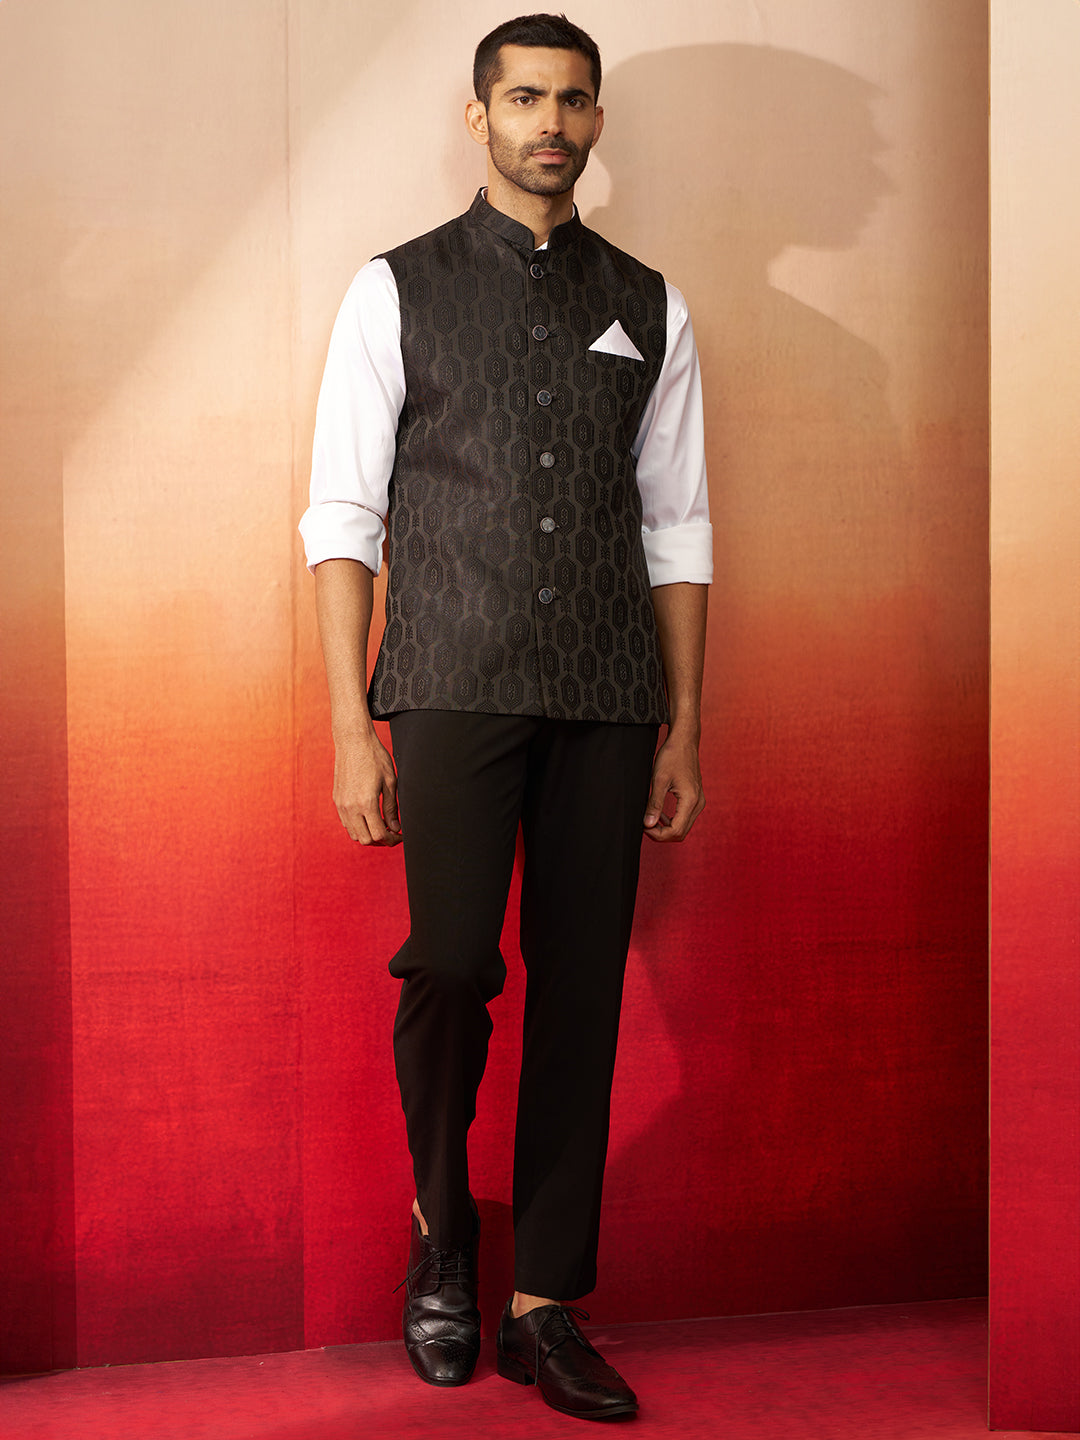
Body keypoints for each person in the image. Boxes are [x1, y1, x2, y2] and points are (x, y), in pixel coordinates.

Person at [299, 13, 712, 1422]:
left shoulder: (651, 303)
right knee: (453, 965)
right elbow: (343, 514)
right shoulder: (395, 288)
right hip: (450, 678)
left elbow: (677, 526)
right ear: (480, 118)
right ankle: (440, 1231)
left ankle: (545, 1304)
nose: (552, 122)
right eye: (525, 98)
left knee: (582, 991)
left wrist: (685, 723)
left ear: (596, 123)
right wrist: (351, 724)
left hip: (608, 691)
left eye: (574, 101)